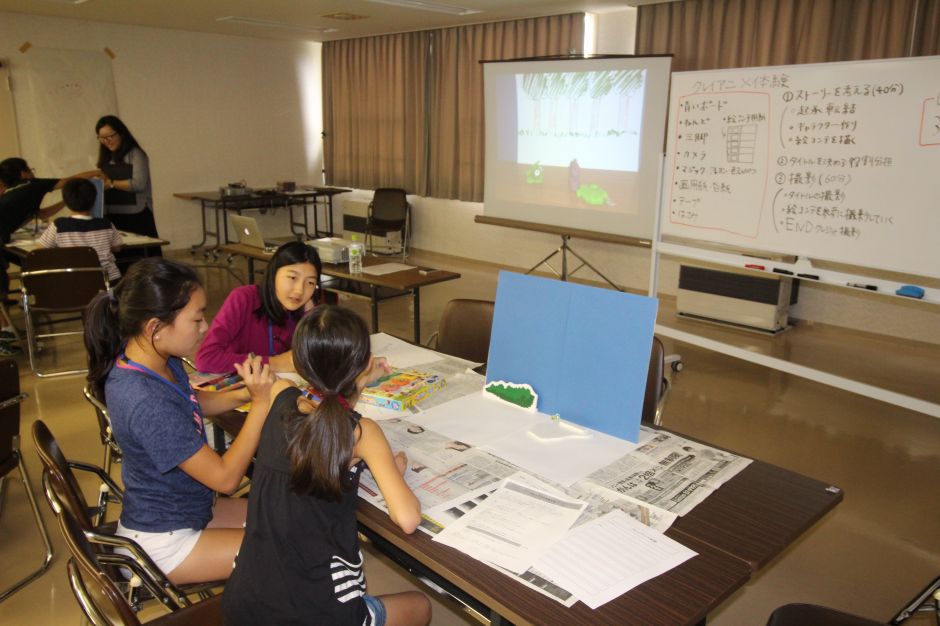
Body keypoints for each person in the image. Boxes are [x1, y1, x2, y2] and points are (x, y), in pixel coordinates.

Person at [223, 305, 431, 626]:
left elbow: (324, 406)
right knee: (420, 606)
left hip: (243, 606)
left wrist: (358, 378)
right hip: (315, 614)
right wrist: (392, 469)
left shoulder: (280, 395)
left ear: (299, 363)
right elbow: (407, 519)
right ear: (364, 362)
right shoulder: (362, 433)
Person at [84, 258, 276, 584]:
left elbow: (188, 402)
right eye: (197, 319)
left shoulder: (154, 358)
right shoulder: (144, 399)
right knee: (287, 551)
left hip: (188, 510)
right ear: (155, 328)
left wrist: (243, 394)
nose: (205, 327)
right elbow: (226, 479)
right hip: (164, 542)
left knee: (282, 519)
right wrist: (259, 404)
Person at [0, 157, 99, 354]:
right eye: (30, 169)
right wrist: (97, 174)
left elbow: (41, 214)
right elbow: (70, 180)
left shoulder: (14, 193)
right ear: (23, 173)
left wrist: (67, 202)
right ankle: (5, 335)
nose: (32, 172)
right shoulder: (32, 185)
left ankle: (7, 331)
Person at [195, 240, 322, 374]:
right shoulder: (244, 299)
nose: (299, 290)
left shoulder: (306, 310)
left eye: (310, 282)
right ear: (273, 274)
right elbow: (205, 359)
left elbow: (320, 356)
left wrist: (310, 315)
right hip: (241, 382)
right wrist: (273, 363)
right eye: (292, 277)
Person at [95, 115, 161, 262]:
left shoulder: (136, 154)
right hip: (113, 214)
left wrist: (111, 183)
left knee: (140, 259)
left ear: (121, 133)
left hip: (136, 214)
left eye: (110, 136)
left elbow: (139, 183)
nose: (107, 141)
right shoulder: (105, 157)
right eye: (102, 138)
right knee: (121, 260)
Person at [37, 178, 124, 282]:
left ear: (66, 201)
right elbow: (117, 248)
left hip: (74, 283)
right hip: (108, 282)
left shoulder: (59, 225)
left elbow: (40, 250)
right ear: (94, 200)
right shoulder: (106, 224)